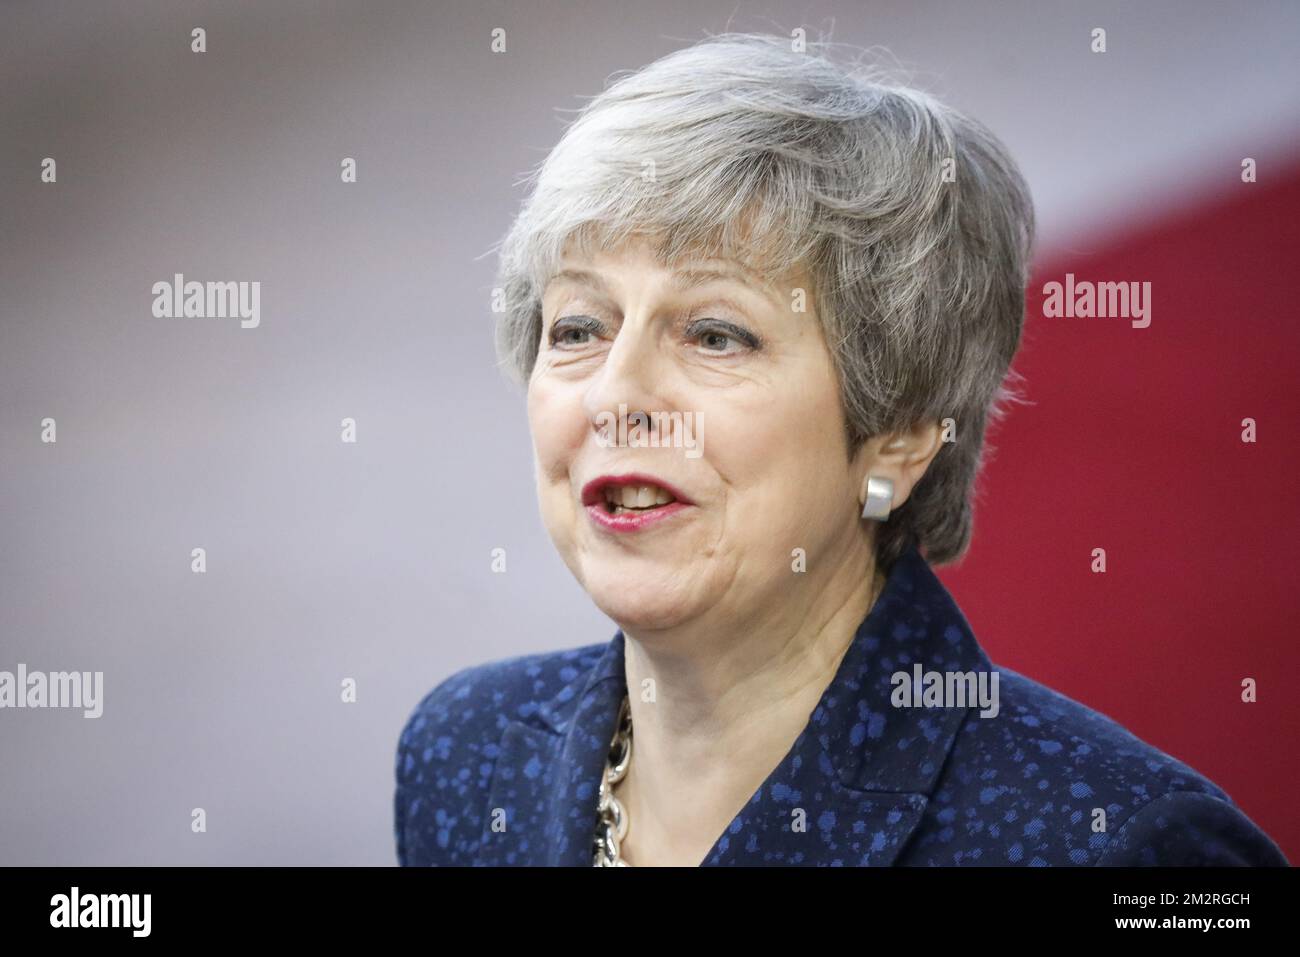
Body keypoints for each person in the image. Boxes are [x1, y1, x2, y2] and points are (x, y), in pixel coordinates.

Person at [394, 32, 1287, 866]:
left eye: (715, 335)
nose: (616, 395)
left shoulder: (1125, 844)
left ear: (896, 436)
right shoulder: (468, 753)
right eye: (579, 326)